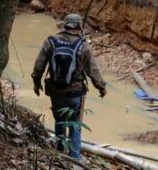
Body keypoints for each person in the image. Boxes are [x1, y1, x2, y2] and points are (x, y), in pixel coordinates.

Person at [31, 13, 107, 159]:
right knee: (75, 126)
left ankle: (59, 152)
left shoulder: (51, 42)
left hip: (55, 91)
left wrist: (36, 83)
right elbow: (93, 71)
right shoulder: (83, 45)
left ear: (65, 25)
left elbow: (39, 66)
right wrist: (101, 88)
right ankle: (74, 158)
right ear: (79, 27)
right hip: (75, 93)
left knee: (59, 121)